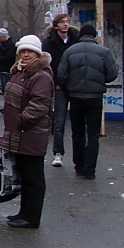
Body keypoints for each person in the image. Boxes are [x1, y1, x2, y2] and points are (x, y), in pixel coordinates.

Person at [0, 35, 53, 228]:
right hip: (19, 133)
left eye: (30, 51)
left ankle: (32, 217)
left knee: (33, 177)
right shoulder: (21, 71)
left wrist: (21, 121)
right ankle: (24, 213)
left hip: (31, 133)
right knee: (25, 174)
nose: (26, 54)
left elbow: (39, 104)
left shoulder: (41, 76)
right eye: (23, 51)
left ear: (37, 53)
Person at [54, 24, 117, 180]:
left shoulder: (70, 51)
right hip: (95, 97)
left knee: (78, 132)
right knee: (93, 134)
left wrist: (71, 85)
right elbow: (112, 74)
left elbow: (61, 74)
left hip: (76, 97)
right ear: (94, 36)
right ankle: (90, 170)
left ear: (80, 35)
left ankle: (79, 165)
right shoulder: (104, 52)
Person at [42, 13, 74, 167]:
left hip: (75, 85)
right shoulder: (49, 43)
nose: (66, 24)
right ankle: (58, 153)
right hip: (59, 86)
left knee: (78, 122)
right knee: (59, 121)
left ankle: (79, 156)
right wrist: (55, 83)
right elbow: (47, 65)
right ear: (56, 26)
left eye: (67, 22)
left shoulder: (75, 40)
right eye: (62, 22)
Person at [0, 28, 17, 97]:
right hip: (4, 69)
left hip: (6, 69)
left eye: (0, 37)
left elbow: (9, 57)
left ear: (4, 36)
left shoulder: (9, 45)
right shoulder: (6, 44)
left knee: (6, 88)